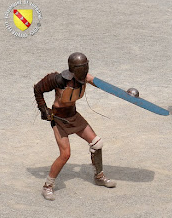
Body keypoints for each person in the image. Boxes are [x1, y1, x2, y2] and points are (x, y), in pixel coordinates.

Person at [34, 52, 116, 201]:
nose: (85, 70)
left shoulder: (84, 79)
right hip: (59, 119)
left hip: (74, 116)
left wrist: (125, 94)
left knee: (97, 143)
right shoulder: (57, 80)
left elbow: (102, 84)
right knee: (65, 154)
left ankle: (99, 176)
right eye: (82, 67)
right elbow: (38, 89)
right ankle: (48, 186)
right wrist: (44, 109)